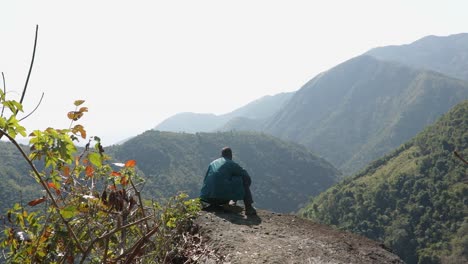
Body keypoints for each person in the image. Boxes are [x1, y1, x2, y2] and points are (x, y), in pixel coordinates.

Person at [200, 147, 256, 215]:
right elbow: (246, 176)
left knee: (223, 179)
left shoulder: (212, 163)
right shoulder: (231, 163)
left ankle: (218, 203)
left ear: (221, 155)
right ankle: (249, 207)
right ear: (231, 155)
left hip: (208, 198)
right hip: (221, 197)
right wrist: (245, 187)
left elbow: (206, 179)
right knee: (241, 178)